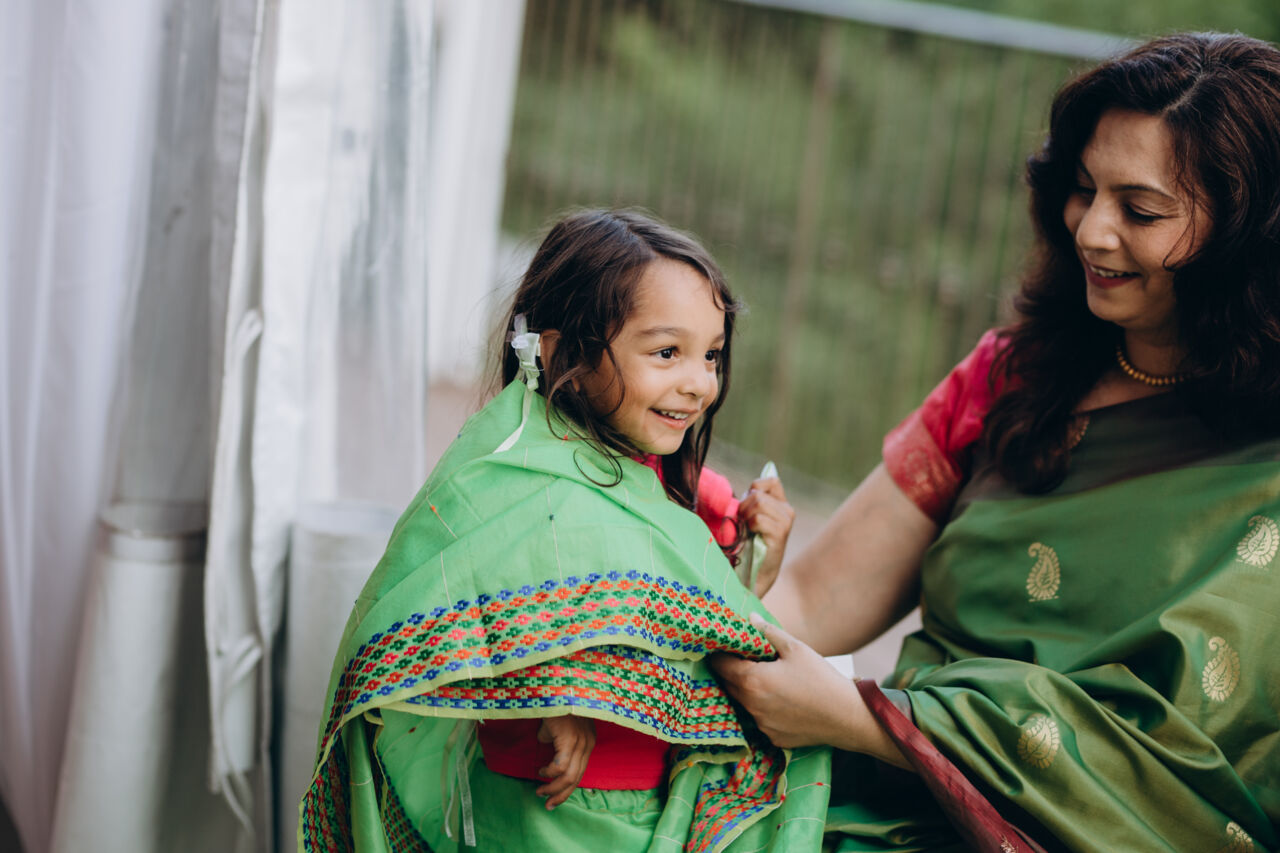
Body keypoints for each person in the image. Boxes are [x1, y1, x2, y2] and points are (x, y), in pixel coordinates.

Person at [712, 32, 1280, 852]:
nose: (1092, 231)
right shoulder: (1010, 377)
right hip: (875, 808)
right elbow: (812, 596)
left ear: (1247, 237)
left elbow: (1189, 758)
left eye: (1141, 210)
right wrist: (708, 612)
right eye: (1084, 190)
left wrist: (867, 721)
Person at [298, 209, 830, 853]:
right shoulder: (510, 480)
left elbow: (696, 636)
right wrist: (552, 695)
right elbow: (458, 617)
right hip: (538, 807)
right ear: (560, 352)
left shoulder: (695, 495)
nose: (698, 385)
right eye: (667, 353)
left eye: (711, 355)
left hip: (658, 806)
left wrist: (752, 571)